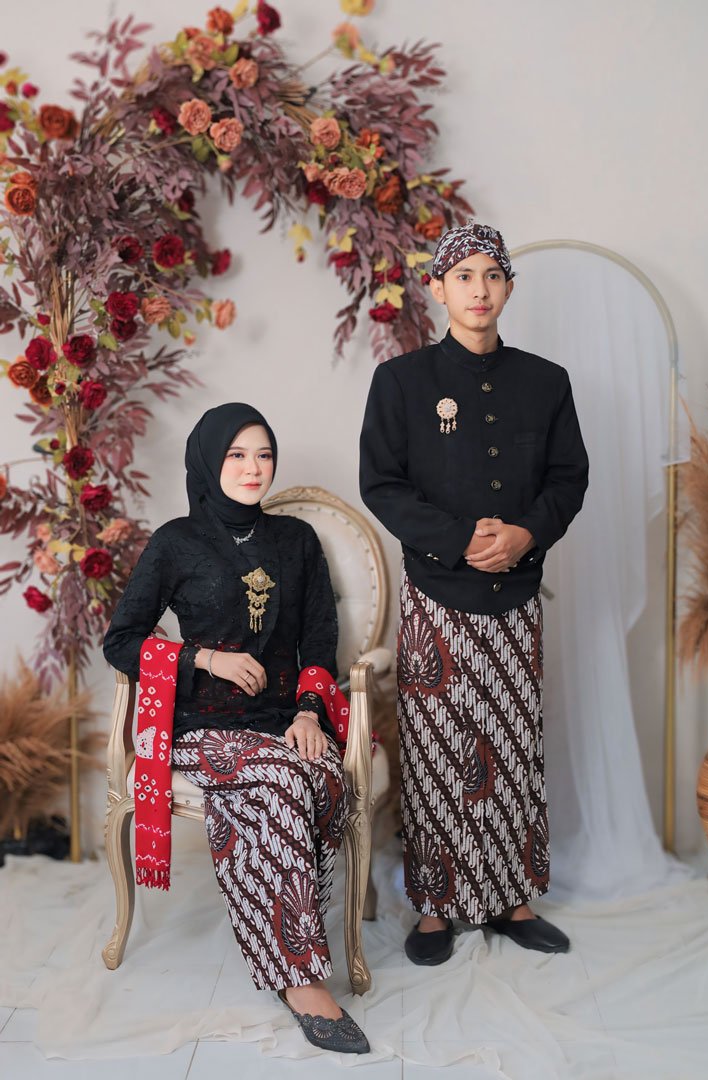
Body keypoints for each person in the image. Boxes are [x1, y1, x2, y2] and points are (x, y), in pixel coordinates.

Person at [103, 403, 370, 1054]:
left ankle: (288, 941)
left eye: (264, 455)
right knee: (280, 780)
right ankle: (301, 978)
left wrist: (309, 713)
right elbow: (122, 640)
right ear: (207, 461)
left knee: (318, 774)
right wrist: (203, 658)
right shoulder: (176, 542)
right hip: (201, 727)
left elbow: (319, 637)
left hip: (282, 721)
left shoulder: (296, 541)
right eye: (237, 455)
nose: (254, 469)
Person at [359, 222, 589, 965]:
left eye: (492, 275)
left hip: (516, 596)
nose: (479, 289)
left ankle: (514, 900)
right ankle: (435, 908)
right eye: (463, 276)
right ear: (437, 288)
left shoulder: (546, 381)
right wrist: (459, 538)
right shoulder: (400, 382)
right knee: (437, 751)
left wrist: (525, 535)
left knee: (515, 747)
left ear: (509, 288)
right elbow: (382, 485)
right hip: (437, 595)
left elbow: (568, 479)